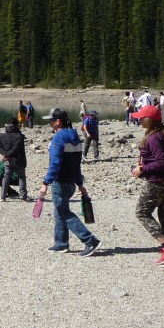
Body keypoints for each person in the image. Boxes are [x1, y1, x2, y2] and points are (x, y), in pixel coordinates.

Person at [38, 108, 101, 256]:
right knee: (60, 211)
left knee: (63, 212)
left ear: (57, 122)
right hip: (71, 181)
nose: (49, 123)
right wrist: (80, 184)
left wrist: (45, 183)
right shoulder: (75, 136)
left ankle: (90, 240)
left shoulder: (59, 138)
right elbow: (77, 163)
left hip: (60, 181)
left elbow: (55, 163)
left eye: (51, 121)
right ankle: (61, 243)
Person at [130, 104, 164, 270]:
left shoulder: (153, 138)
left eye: (141, 117)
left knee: (142, 212)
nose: (138, 119)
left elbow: (161, 162)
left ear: (148, 120)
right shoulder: (162, 134)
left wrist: (143, 169)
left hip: (160, 182)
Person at [0, 117, 28, 201]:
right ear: (16, 125)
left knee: (6, 177)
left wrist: (5, 155)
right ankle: (23, 195)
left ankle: (2, 196)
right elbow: (16, 148)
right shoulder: (19, 136)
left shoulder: (2, 136)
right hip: (18, 160)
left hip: (8, 160)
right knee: (21, 177)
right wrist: (7, 155)